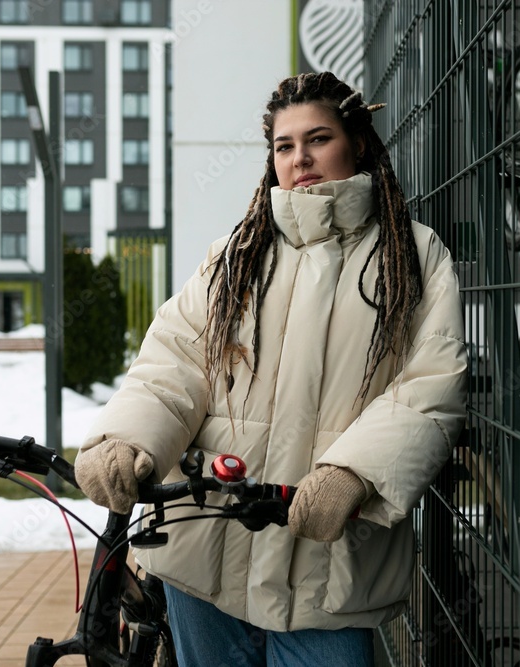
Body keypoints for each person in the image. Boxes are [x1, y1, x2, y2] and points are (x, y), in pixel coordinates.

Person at [74, 71, 468, 667]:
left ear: (358, 143)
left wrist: (354, 472)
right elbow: (175, 364)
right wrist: (126, 437)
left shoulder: (412, 254)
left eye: (318, 139)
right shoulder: (236, 255)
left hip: (328, 564)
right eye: (285, 146)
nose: (300, 158)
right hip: (206, 550)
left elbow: (430, 385)